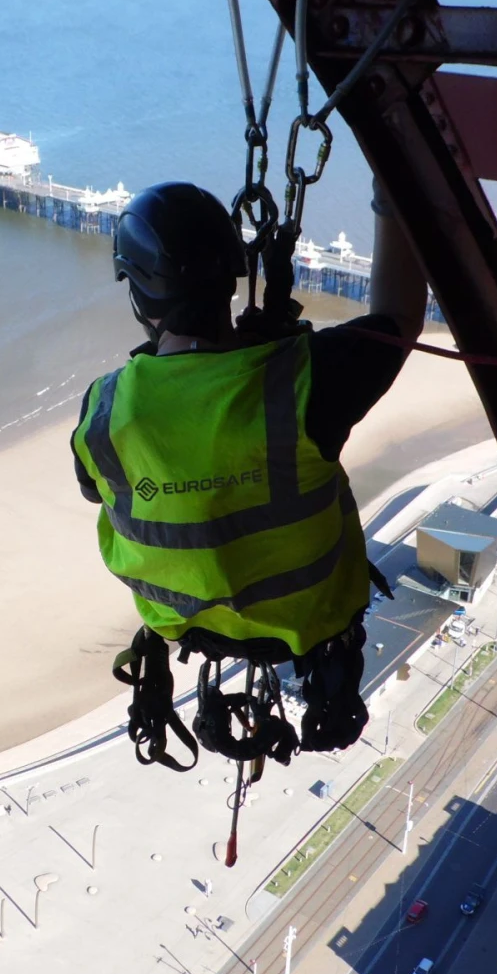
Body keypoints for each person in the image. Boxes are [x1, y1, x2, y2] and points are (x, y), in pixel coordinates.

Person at [71, 179, 428, 767]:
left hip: (180, 626)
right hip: (311, 623)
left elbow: (97, 487)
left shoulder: (103, 411)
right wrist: (391, 186)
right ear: (231, 280)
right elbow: (398, 316)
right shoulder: (308, 379)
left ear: (139, 298)